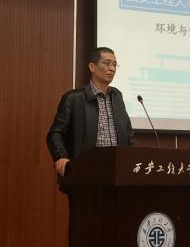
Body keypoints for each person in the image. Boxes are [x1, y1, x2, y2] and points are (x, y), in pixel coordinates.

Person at [46, 47, 135, 176]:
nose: (112, 68)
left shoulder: (117, 96)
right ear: (92, 67)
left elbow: (128, 133)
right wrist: (61, 157)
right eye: (107, 63)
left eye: (115, 64)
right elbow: (55, 133)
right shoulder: (73, 98)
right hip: (85, 169)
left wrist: (132, 159)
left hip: (117, 169)